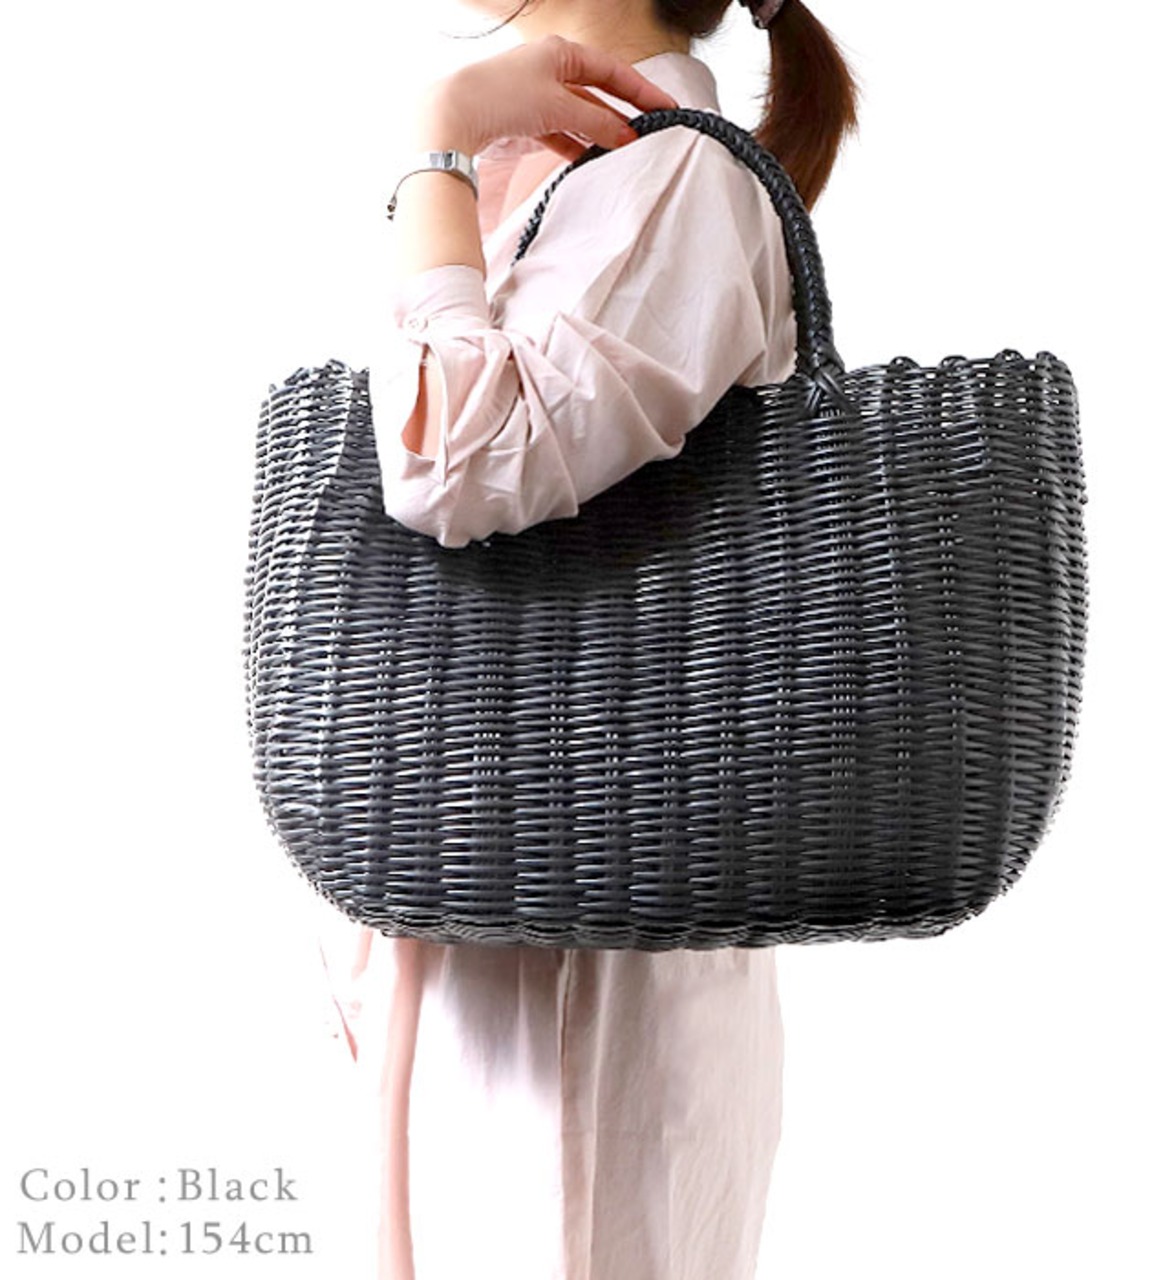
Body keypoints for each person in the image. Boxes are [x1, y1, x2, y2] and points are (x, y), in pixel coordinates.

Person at [314, 2, 859, 1277]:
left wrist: (437, 143)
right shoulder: (570, 176)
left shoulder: (676, 180)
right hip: (469, 910)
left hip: (588, 960)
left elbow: (451, 456)